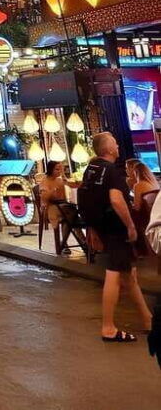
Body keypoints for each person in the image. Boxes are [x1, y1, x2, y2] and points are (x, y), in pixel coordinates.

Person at [79, 132, 152, 342]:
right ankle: (108, 327)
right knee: (114, 274)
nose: (119, 146)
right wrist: (130, 226)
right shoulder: (111, 170)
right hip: (116, 227)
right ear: (109, 149)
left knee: (129, 275)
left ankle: (148, 320)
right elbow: (117, 200)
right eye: (116, 144)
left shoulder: (91, 169)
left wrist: (91, 228)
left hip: (102, 225)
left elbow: (84, 199)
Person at [125, 158, 160, 256]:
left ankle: (135, 251)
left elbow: (137, 207)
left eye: (127, 168)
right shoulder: (154, 183)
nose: (126, 171)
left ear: (136, 172)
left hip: (145, 218)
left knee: (126, 219)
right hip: (153, 215)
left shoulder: (138, 185)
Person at [39, 161, 79, 230]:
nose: (59, 171)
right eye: (57, 169)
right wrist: (54, 189)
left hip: (61, 205)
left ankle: (68, 239)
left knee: (73, 214)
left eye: (61, 169)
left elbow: (72, 185)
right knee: (71, 215)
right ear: (50, 170)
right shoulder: (45, 180)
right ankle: (78, 237)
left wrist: (64, 175)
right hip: (50, 207)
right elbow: (44, 197)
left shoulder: (59, 180)